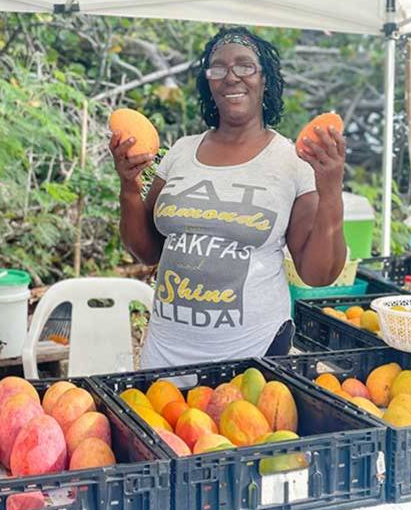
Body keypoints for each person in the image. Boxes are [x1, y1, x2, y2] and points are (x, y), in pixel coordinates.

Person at [111, 25, 347, 369]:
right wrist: (129, 186)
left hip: (252, 356)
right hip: (164, 354)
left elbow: (318, 274)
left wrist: (330, 191)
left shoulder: (291, 161)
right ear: (209, 82)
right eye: (218, 68)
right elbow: (147, 251)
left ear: (265, 79)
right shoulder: (181, 152)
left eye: (245, 66)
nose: (231, 76)